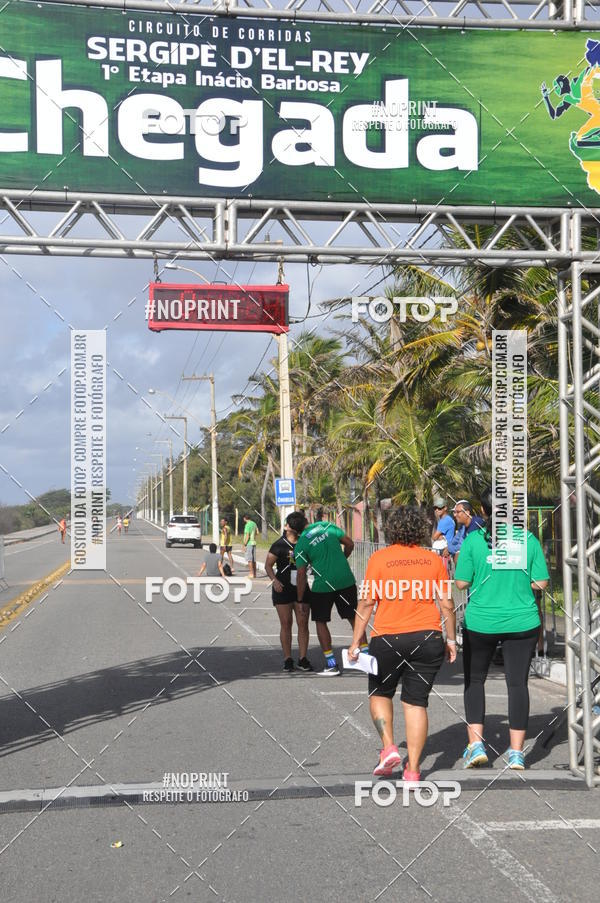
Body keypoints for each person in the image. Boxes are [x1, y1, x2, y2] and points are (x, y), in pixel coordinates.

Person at [349, 507, 456, 778]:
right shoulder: (432, 561)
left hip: (387, 637)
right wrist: (452, 639)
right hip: (428, 637)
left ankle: (388, 748)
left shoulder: (379, 559)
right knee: (416, 702)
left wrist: (355, 641)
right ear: (421, 530)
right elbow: (446, 603)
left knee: (380, 693)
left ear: (392, 530)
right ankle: (414, 771)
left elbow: (367, 602)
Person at [454, 488, 550, 770]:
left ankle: (476, 745)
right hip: (522, 622)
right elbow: (541, 582)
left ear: (482, 512)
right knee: (518, 684)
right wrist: (517, 585)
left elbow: (461, 583)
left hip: (481, 623)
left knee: (474, 681)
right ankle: (517, 753)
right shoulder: (527, 539)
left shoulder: (473, 541)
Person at [295, 516, 365, 676]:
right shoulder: (327, 526)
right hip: (345, 580)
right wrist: (342, 559)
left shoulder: (300, 545)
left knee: (321, 622)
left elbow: (301, 575)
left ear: (294, 530)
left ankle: (331, 664)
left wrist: (300, 600)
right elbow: (350, 544)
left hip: (322, 586)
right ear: (306, 520)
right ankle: (365, 659)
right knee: (354, 619)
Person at [265, 512, 313, 673]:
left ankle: (303, 658)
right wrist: (275, 580)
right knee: (286, 623)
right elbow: (268, 565)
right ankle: (287, 658)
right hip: (283, 589)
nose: (287, 528)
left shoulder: (305, 543)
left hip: (301, 588)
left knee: (303, 623)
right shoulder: (279, 545)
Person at [242, 514, 258, 579]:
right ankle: (254, 574)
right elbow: (257, 532)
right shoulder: (254, 523)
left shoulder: (247, 525)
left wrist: (244, 544)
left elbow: (247, 535)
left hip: (249, 543)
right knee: (254, 559)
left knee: (249, 559)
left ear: (245, 518)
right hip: (254, 542)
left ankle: (251, 574)